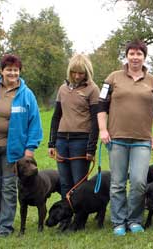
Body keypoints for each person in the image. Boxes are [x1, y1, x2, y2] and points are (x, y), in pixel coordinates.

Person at [97, 40, 153, 236]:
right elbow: (101, 106)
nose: (135, 57)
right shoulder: (113, 78)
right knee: (117, 182)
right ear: (126, 56)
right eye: (131, 53)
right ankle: (118, 221)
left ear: (144, 56)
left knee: (138, 182)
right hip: (116, 138)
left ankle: (134, 219)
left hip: (142, 140)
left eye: (139, 54)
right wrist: (103, 129)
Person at [0, 54, 43, 238]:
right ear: (1, 71)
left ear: (19, 71)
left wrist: (30, 150)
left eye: (16, 69)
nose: (12, 73)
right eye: (9, 69)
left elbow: (34, 123)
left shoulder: (26, 94)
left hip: (13, 151)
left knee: (9, 188)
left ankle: (5, 226)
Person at [48, 54, 99, 201]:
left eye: (81, 73)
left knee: (79, 183)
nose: (77, 76)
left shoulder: (93, 89)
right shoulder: (63, 89)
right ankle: (66, 216)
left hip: (81, 142)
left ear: (87, 72)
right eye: (74, 72)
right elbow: (56, 116)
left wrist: (91, 148)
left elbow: (96, 121)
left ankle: (79, 218)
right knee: (65, 183)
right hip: (62, 141)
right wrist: (52, 143)